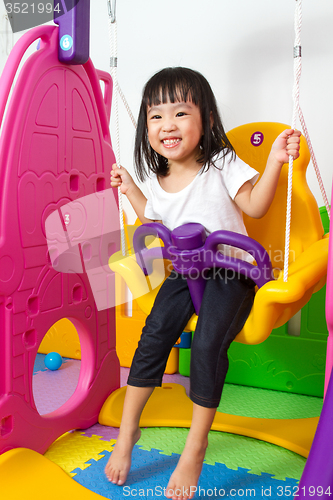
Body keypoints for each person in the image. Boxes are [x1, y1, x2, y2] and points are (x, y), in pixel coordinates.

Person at [105, 67, 301, 500]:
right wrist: (132, 189)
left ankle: (195, 447)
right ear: (146, 128)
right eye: (156, 116)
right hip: (184, 271)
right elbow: (153, 219)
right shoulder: (159, 179)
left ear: (207, 120)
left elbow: (255, 204)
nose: (167, 125)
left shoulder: (221, 163)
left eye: (180, 112)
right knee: (153, 336)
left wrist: (272, 162)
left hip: (231, 270)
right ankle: (127, 432)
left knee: (210, 342)